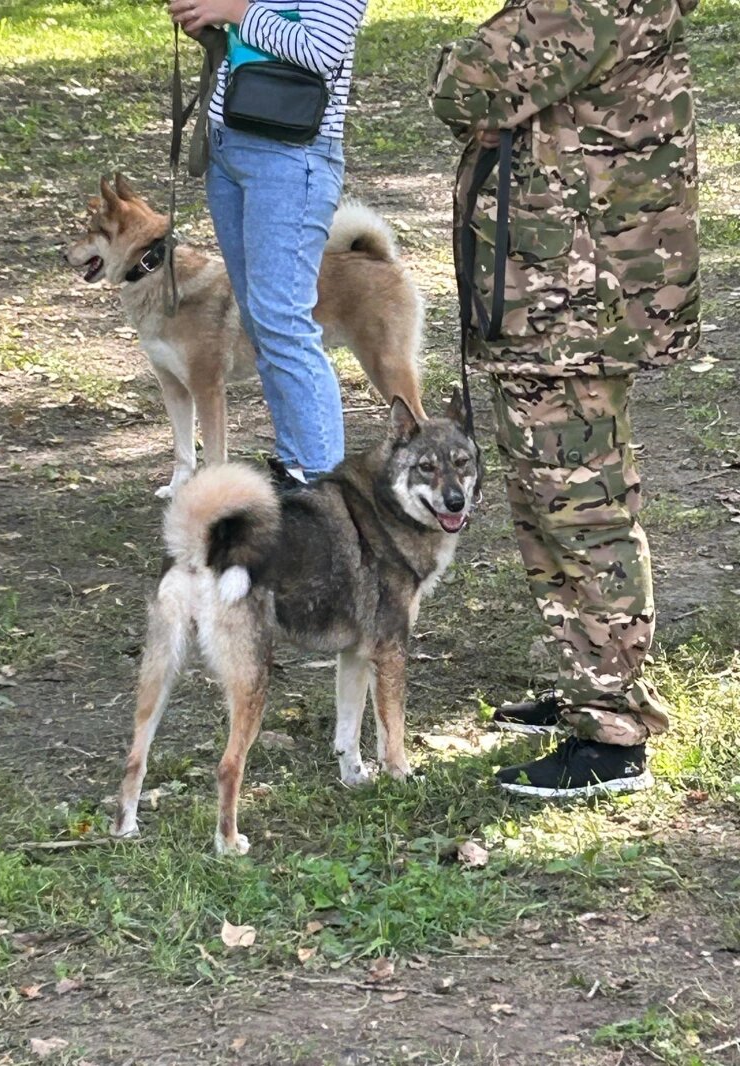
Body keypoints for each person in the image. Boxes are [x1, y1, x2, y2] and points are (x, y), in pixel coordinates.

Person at [431, 0, 700, 796]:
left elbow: (464, 86)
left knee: (580, 506)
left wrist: (492, 95)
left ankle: (613, 732)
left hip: (573, 294)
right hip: (557, 287)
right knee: (549, 498)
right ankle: (591, 677)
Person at [168, 0, 368, 484]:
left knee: (283, 321)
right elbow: (247, 38)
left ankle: (325, 489)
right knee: (261, 322)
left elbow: (319, 49)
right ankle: (296, 466)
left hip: (291, 153)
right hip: (229, 145)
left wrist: (236, 9)